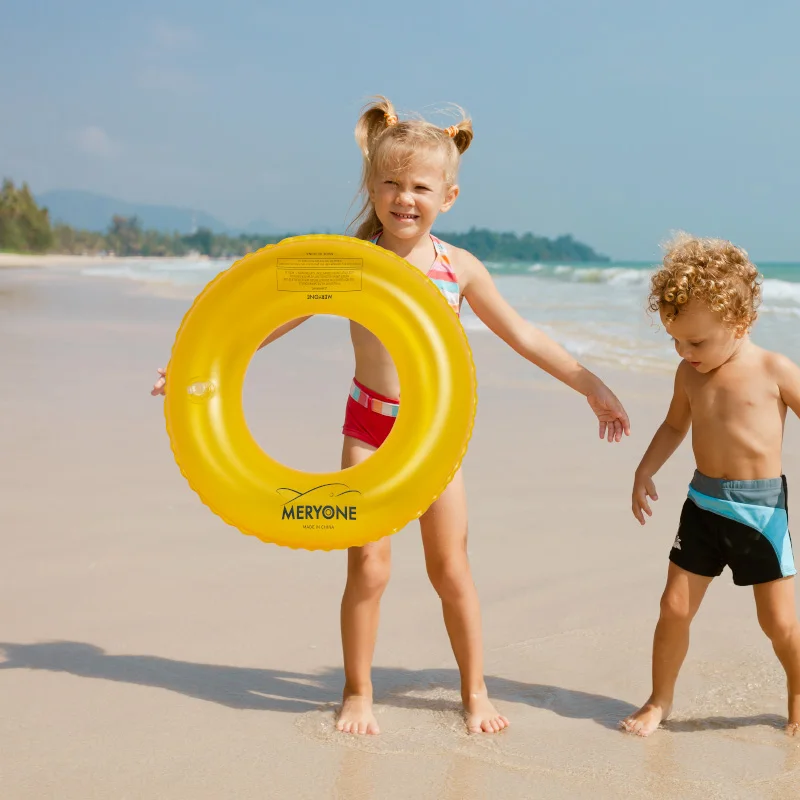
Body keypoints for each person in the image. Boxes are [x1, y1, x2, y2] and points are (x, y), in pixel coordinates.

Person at [153, 96, 631, 735]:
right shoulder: (353, 263)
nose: (406, 198)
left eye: (421, 187)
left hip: (434, 436)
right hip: (369, 428)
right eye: (392, 184)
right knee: (368, 569)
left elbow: (522, 334)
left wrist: (590, 385)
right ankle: (357, 692)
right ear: (372, 188)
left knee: (450, 570)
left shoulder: (456, 269)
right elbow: (270, 320)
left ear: (449, 196)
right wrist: (194, 368)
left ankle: (475, 691)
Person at [623, 233, 800, 737]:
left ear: (740, 324)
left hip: (760, 513)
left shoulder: (774, 370)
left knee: (778, 623)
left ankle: (798, 692)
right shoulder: (689, 374)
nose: (684, 351)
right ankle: (659, 700)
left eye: (696, 341)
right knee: (673, 608)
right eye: (675, 340)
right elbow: (676, 426)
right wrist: (645, 468)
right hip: (701, 506)